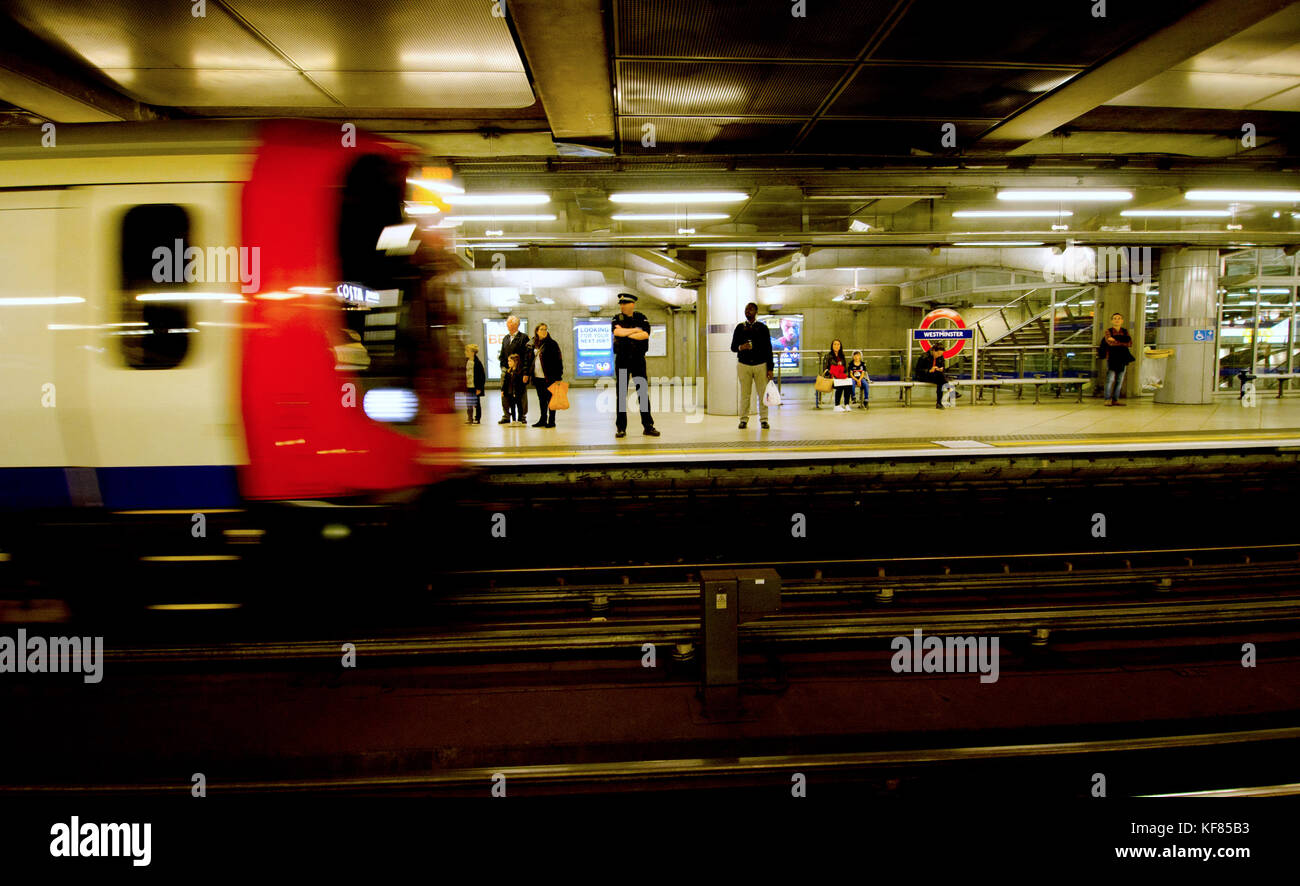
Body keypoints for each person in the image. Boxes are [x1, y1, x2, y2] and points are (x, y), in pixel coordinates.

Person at [611, 293, 660, 438]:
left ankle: (648, 426)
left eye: (625, 303)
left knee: (642, 394)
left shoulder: (641, 317)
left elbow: (645, 335)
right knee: (621, 395)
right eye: (621, 303)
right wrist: (635, 330)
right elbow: (617, 331)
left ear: (632, 304)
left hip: (638, 360)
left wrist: (626, 333)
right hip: (622, 360)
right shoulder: (616, 318)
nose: (622, 306)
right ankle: (621, 428)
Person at [731, 302, 773, 430]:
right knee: (745, 394)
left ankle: (764, 420)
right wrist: (741, 347)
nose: (748, 311)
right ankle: (743, 419)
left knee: (762, 394)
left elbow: (768, 349)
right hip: (744, 365)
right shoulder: (739, 328)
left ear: (756, 312)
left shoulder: (762, 328)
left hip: (761, 365)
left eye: (750, 309)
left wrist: (770, 368)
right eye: (746, 309)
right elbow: (733, 347)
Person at [497, 315, 531, 425]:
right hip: (507, 372)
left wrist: (525, 372)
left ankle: (522, 416)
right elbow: (502, 355)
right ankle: (506, 415)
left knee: (521, 394)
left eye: (510, 323)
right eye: (507, 323)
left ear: (516, 325)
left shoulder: (524, 338)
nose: (508, 325)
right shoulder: (506, 338)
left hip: (519, 372)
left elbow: (527, 356)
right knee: (505, 393)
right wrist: (503, 367)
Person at [530, 322, 564, 428]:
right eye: (541, 329)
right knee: (542, 399)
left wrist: (559, 377)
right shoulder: (532, 343)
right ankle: (543, 419)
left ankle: (551, 420)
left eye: (545, 329)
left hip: (550, 377)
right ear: (537, 331)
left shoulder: (552, 344)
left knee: (551, 399)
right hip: (537, 376)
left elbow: (558, 361)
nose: (544, 331)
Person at [1102, 312, 1135, 406]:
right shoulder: (1108, 331)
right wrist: (1122, 341)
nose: (1117, 320)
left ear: (1122, 321)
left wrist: (1116, 340)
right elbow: (1110, 343)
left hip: (1122, 358)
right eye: (1115, 318)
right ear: (1112, 321)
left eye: (1119, 318)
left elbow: (1130, 344)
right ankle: (1107, 399)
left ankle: (1115, 399)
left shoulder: (1125, 331)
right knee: (1110, 379)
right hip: (1111, 358)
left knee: (1120, 379)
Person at [914, 344, 950, 409]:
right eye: (938, 354)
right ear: (933, 351)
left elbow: (943, 367)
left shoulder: (940, 357)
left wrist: (941, 369)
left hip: (936, 375)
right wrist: (929, 370)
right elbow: (918, 370)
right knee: (940, 378)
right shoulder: (924, 356)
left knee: (940, 380)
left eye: (941, 354)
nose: (939, 355)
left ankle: (939, 403)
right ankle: (949, 391)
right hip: (924, 376)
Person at [822, 339, 852, 411]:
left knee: (848, 383)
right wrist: (833, 373)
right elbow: (825, 370)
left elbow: (845, 368)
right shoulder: (828, 356)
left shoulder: (842, 356)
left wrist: (845, 374)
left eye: (838, 344)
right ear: (832, 346)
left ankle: (846, 404)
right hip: (832, 377)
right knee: (840, 384)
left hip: (840, 376)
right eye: (835, 344)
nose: (836, 346)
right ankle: (837, 405)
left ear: (840, 346)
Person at [501, 353, 527, 424]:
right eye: (508, 361)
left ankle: (520, 419)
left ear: (515, 362)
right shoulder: (508, 372)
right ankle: (514, 420)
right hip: (510, 392)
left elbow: (521, 384)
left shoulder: (520, 372)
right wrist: (503, 390)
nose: (508, 363)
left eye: (510, 361)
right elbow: (505, 382)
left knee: (519, 406)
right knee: (512, 407)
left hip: (517, 392)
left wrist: (519, 391)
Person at [464, 343, 485, 424]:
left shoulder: (477, 363)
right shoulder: (466, 362)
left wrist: (479, 388)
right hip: (468, 386)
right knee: (469, 403)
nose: (466, 352)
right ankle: (470, 418)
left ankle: (477, 418)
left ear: (472, 352)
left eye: (467, 351)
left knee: (476, 403)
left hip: (475, 386)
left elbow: (481, 376)